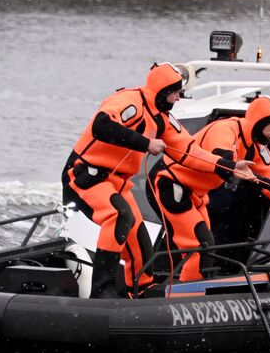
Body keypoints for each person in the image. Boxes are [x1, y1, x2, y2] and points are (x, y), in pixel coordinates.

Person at [64, 63, 227, 298]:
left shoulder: (162, 119)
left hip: (117, 183)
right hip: (85, 176)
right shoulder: (130, 101)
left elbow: (190, 152)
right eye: (175, 93)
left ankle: (140, 289)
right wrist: (145, 143)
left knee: (140, 239)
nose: (178, 99)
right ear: (162, 91)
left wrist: (228, 166)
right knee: (119, 215)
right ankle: (101, 290)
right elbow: (102, 126)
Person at [146, 95, 270, 282]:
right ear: (260, 122)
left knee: (207, 248)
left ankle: (194, 293)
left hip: (194, 194)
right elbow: (226, 167)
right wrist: (263, 181)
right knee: (201, 246)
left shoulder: (256, 148)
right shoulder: (224, 129)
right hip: (169, 184)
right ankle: (186, 299)